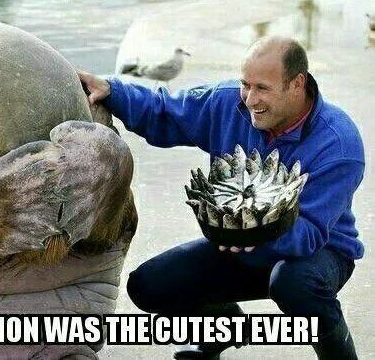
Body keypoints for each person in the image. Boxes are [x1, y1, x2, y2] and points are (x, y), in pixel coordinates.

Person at [78, 37, 364, 360]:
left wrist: (254, 233)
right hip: (238, 243)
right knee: (148, 286)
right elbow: (165, 112)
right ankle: (222, 327)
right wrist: (112, 91)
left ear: (297, 84)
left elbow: (310, 233)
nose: (250, 99)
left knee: (291, 283)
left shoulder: (340, 144)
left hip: (318, 254)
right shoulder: (228, 103)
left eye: (263, 88)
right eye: (246, 84)